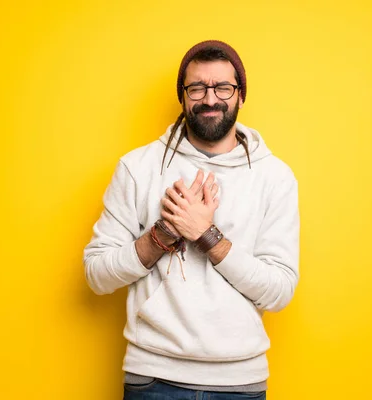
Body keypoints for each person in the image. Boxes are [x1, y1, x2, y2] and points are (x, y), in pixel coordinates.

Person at [83, 40, 299, 399]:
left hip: (240, 385)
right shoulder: (138, 168)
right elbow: (96, 276)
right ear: (183, 96)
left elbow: (278, 292)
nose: (210, 99)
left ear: (240, 95)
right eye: (197, 88)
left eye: (223, 88)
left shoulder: (274, 177)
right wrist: (162, 234)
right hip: (152, 379)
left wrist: (205, 234)